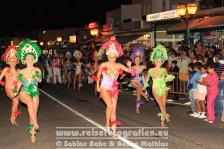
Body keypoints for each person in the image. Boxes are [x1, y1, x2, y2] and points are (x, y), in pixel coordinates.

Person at [96, 37, 132, 138]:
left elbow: (130, 71)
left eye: (114, 57)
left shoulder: (119, 65)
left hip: (113, 89)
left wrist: (129, 65)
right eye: (110, 57)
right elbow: (98, 76)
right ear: (107, 55)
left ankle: (114, 132)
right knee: (110, 106)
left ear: (116, 56)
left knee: (114, 109)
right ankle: (107, 124)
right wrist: (97, 87)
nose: (112, 59)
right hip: (104, 88)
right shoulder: (103, 64)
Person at [16, 39, 42, 143]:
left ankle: (32, 134)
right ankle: (36, 124)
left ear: (34, 60)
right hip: (24, 92)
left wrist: (35, 76)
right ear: (25, 61)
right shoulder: (21, 71)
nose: (30, 60)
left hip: (35, 92)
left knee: (33, 113)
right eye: (28, 58)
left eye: (31, 58)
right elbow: (19, 83)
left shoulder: (37, 70)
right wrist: (15, 92)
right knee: (30, 103)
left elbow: (40, 81)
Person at [145, 44, 174, 127]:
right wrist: (144, 86)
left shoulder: (164, 69)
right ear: (154, 61)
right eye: (157, 61)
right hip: (155, 88)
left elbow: (167, 78)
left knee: (163, 104)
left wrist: (169, 79)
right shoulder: (150, 70)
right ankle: (167, 119)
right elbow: (147, 79)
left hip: (164, 88)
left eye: (161, 61)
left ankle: (162, 121)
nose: (159, 62)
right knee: (160, 104)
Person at [0, 46, 21, 125]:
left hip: (16, 89)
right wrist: (3, 84)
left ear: (16, 62)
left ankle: (14, 118)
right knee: (15, 101)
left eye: (14, 61)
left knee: (16, 103)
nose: (12, 62)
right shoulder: (6, 69)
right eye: (11, 61)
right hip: (8, 88)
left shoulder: (18, 71)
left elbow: (21, 80)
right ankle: (12, 117)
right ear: (8, 62)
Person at [130, 47, 148, 113]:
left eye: (138, 60)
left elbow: (146, 74)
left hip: (140, 81)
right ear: (134, 60)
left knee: (138, 96)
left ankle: (137, 108)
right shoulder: (132, 67)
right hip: (133, 81)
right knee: (139, 88)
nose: (137, 61)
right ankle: (145, 96)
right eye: (136, 60)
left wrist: (145, 83)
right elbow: (127, 71)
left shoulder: (143, 67)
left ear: (140, 60)